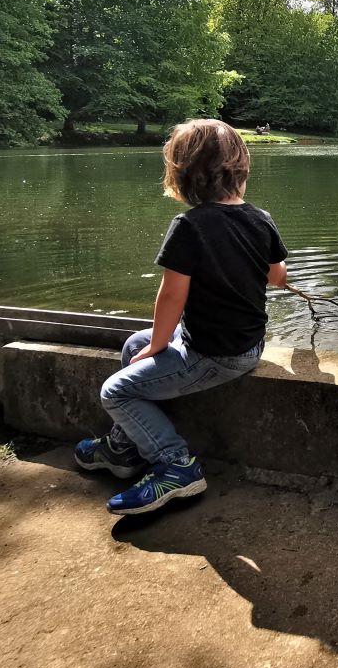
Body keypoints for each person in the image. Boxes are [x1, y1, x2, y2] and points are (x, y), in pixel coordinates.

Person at [75, 119, 288, 515]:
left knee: (115, 391)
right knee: (133, 344)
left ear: (183, 177)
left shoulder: (189, 226)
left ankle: (176, 465)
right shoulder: (262, 218)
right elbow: (277, 276)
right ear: (242, 170)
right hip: (246, 346)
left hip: (213, 355)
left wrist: (161, 344)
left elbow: (172, 295)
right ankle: (124, 449)